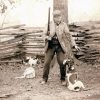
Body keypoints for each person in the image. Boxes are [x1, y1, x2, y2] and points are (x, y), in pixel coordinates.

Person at [41, 10, 80, 85]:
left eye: (59, 17)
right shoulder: (49, 24)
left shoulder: (64, 25)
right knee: (46, 63)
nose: (59, 19)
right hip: (50, 46)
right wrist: (47, 37)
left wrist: (74, 45)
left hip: (59, 46)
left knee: (62, 62)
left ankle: (62, 79)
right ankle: (44, 79)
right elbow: (43, 35)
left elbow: (69, 35)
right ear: (54, 18)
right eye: (57, 17)